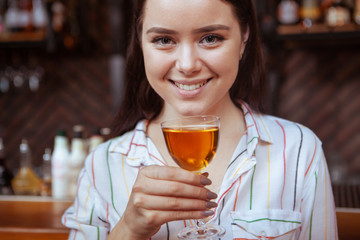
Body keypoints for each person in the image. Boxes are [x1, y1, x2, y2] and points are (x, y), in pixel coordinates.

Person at [62, 0, 338, 239]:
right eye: (164, 40)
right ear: (141, 43)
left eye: (210, 38)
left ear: (244, 38)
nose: (187, 64)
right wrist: (129, 230)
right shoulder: (102, 166)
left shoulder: (299, 150)